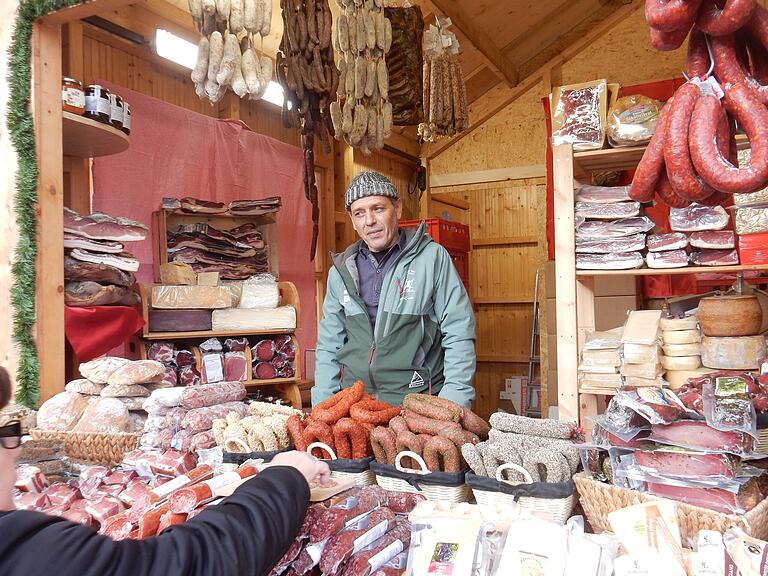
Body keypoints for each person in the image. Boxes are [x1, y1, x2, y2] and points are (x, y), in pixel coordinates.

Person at [0, 366, 329, 576]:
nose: (14, 454)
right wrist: (285, 475)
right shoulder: (30, 549)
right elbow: (187, 564)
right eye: (4, 435)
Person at [313, 171, 476, 408]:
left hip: (417, 402)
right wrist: (323, 407)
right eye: (359, 213)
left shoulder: (431, 258)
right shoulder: (341, 271)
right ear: (352, 220)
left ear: (397, 209)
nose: (369, 221)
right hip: (355, 404)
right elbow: (329, 343)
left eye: (378, 208)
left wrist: (454, 402)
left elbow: (459, 331)